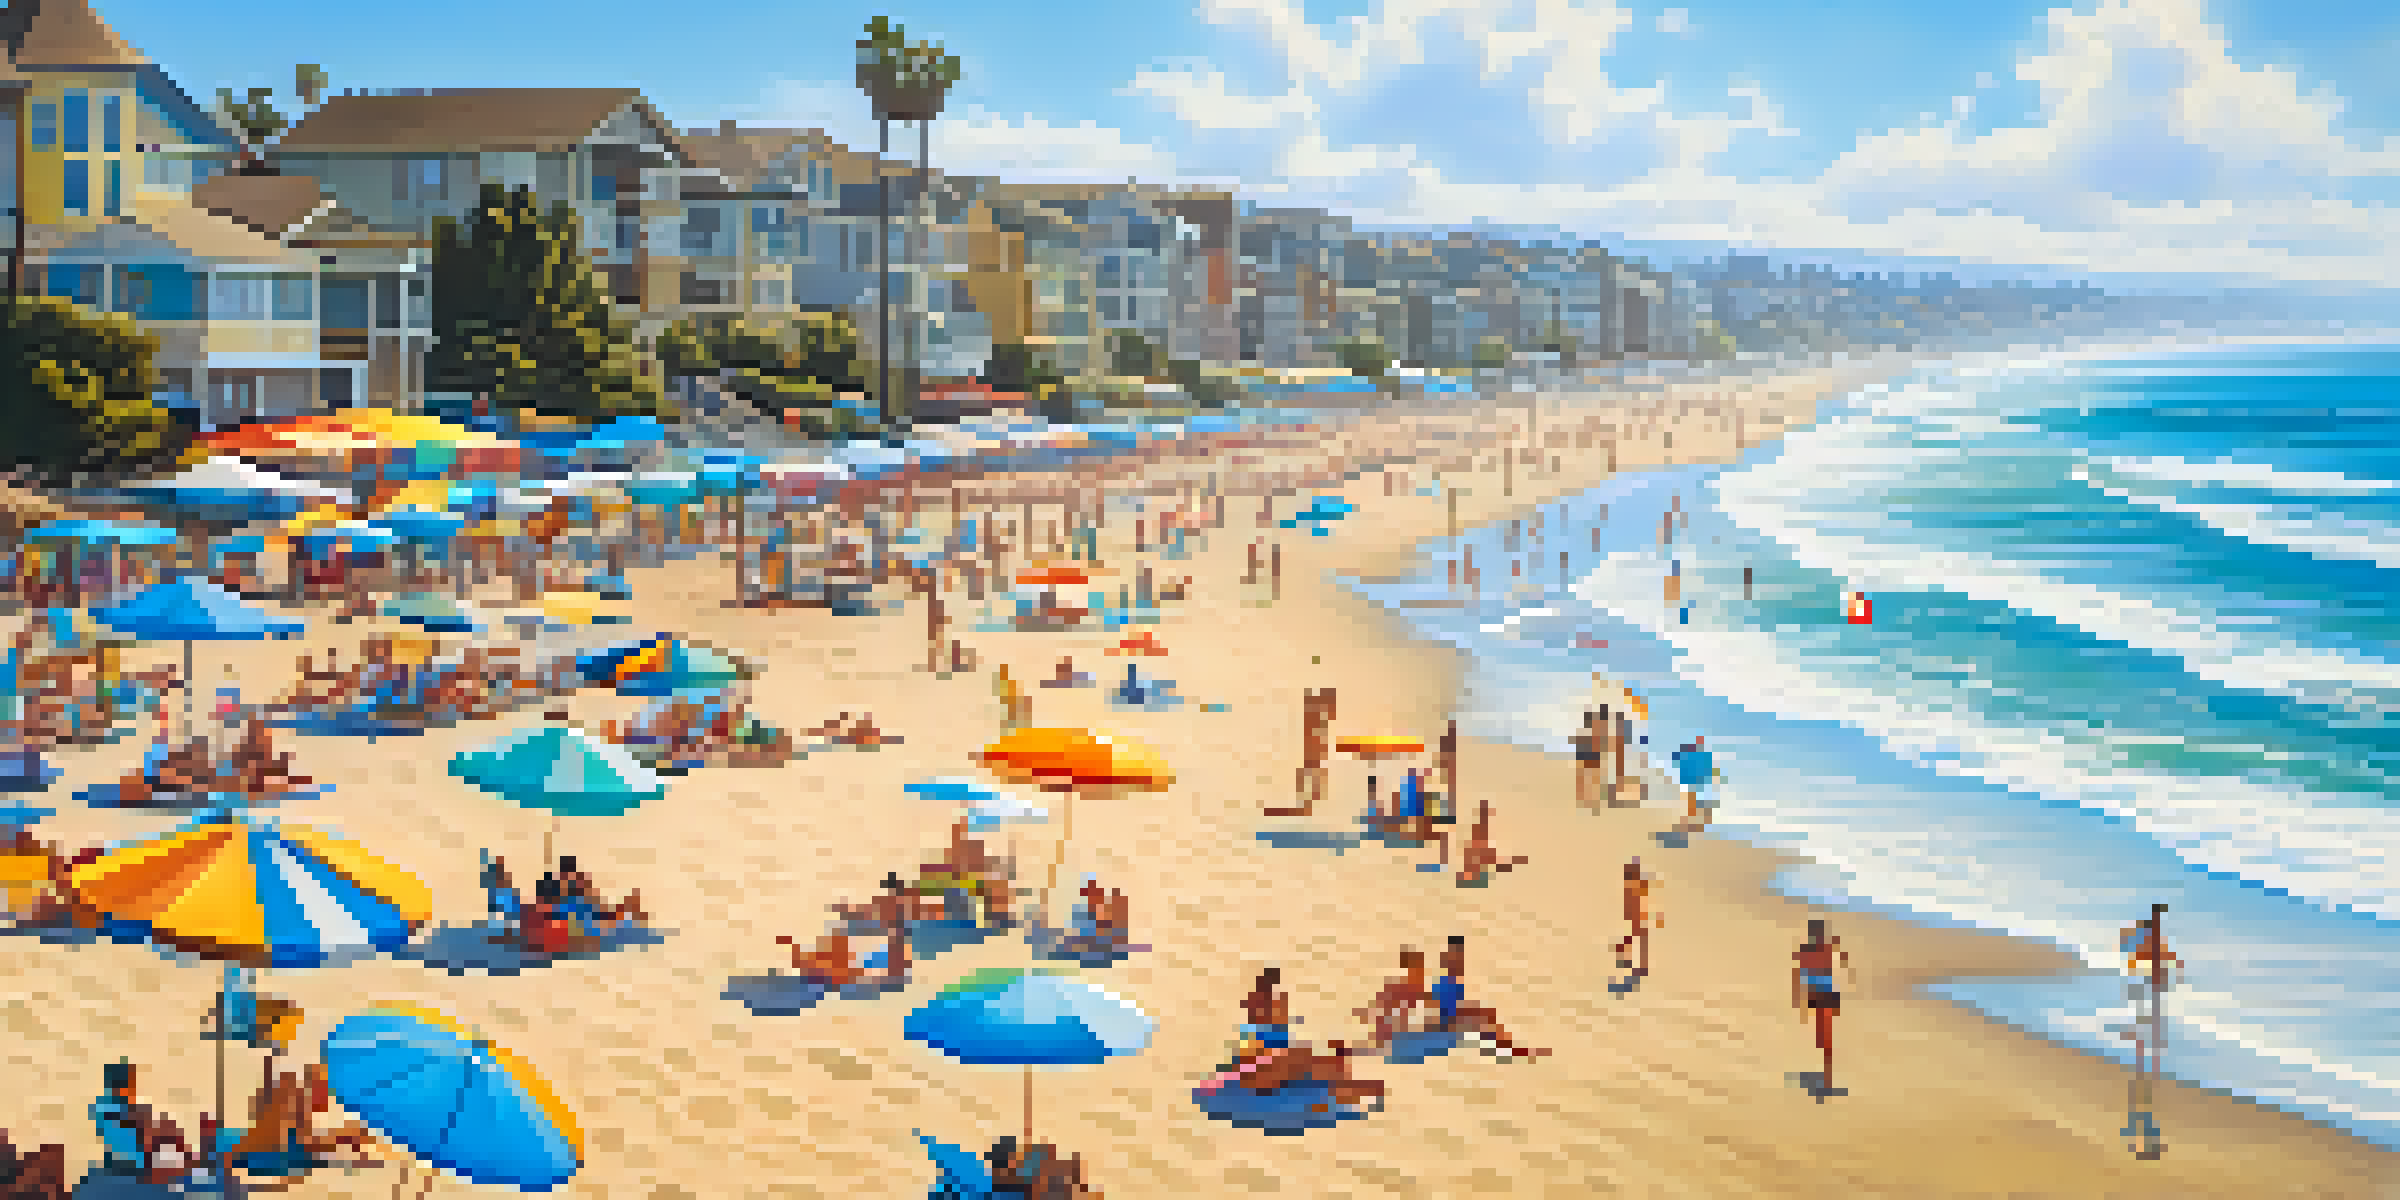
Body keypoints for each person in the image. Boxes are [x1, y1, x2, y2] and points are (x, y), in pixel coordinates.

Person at [1436, 936, 1547, 1060]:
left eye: (1458, 956)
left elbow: (1449, 1005)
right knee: (1482, 1015)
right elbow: (1445, 1009)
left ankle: (1503, 1048)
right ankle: (1504, 1049)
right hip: (1446, 1022)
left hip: (1448, 1019)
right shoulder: (1446, 980)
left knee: (1483, 1014)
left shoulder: (1449, 979)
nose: (1458, 962)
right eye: (1455, 956)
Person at [1792, 919, 1854, 1093]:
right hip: (1825, 995)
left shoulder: (1808, 951)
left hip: (1820, 996)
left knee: (1824, 1036)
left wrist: (1799, 998)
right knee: (1825, 1036)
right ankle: (1827, 1075)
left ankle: (1827, 1076)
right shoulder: (1825, 949)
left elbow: (1801, 975)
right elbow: (1842, 960)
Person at [1613, 859, 1662, 976]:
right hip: (1634, 918)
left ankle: (1638, 967)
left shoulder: (1640, 887)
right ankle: (1632, 965)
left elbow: (1645, 902)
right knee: (1634, 940)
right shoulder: (1633, 887)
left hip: (1639, 918)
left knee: (1639, 940)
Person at [1670, 736, 1716, 833]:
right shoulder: (1694, 754)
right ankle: (1694, 825)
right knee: (1693, 803)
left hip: (1696, 782)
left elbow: (1675, 757)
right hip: (1693, 782)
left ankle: (1697, 825)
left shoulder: (1701, 756)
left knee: (1696, 803)